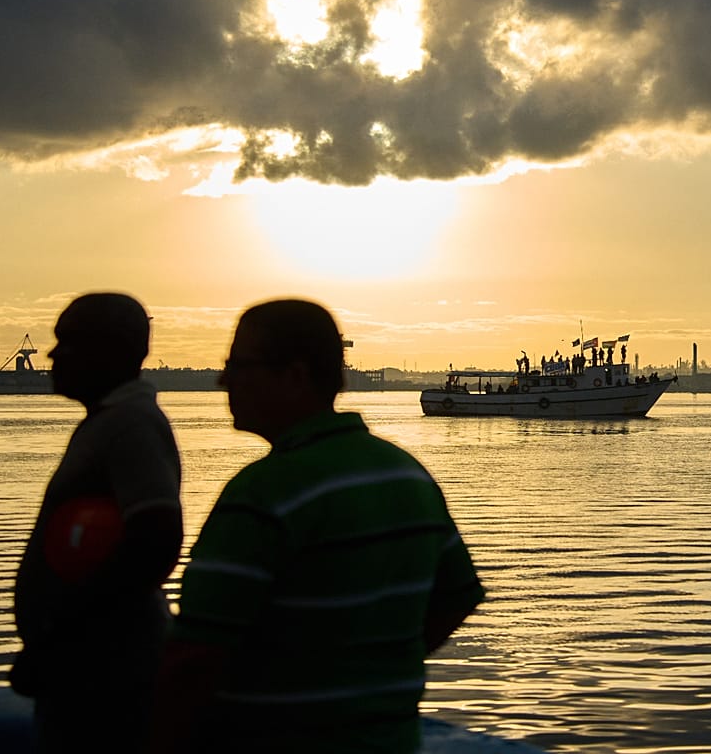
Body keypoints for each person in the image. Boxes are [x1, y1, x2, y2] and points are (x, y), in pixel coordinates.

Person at [154, 299, 484, 753]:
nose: (222, 380)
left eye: (238, 365)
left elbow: (196, 659)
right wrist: (370, 673)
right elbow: (457, 596)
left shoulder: (262, 494)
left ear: (295, 374)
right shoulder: (406, 474)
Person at [11, 293, 183, 752]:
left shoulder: (132, 425)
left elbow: (156, 540)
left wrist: (61, 635)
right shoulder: (112, 423)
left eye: (67, 342)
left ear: (109, 351)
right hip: (89, 667)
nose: (51, 355)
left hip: (108, 675)